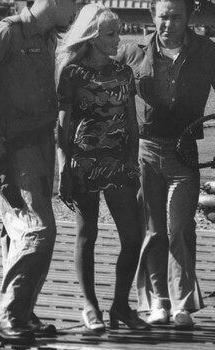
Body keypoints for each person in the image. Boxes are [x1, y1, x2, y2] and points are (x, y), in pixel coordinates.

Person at [115, 0, 215, 329]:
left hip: (184, 153)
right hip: (144, 152)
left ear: (189, 17)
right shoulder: (132, 52)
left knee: (180, 229)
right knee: (154, 231)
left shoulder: (207, 50)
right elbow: (99, 84)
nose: (169, 24)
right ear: (152, 17)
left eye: (176, 17)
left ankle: (182, 304)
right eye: (163, 17)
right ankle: (157, 303)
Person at [0, 0, 79, 344]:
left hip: (42, 146)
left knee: (18, 234)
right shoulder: (6, 34)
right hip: (16, 150)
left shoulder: (48, 39)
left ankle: (22, 313)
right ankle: (9, 317)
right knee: (39, 231)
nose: (78, 6)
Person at [56, 4, 149, 332]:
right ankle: (90, 306)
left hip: (120, 164)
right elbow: (63, 128)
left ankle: (120, 306)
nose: (118, 39)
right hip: (84, 164)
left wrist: (133, 163)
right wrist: (63, 170)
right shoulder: (72, 74)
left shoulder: (123, 72)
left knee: (133, 236)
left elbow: (132, 124)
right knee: (88, 233)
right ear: (92, 37)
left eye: (118, 33)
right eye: (111, 34)